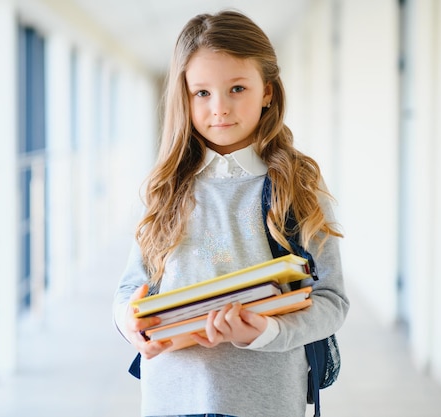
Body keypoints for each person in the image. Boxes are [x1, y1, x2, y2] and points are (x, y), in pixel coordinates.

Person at [113, 9, 349, 417]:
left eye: (237, 88)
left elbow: (331, 299)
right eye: (201, 93)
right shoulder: (164, 188)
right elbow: (129, 291)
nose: (219, 108)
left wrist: (266, 331)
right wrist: (130, 325)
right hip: (171, 396)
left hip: (266, 400)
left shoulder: (299, 186)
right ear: (183, 97)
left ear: (268, 91)